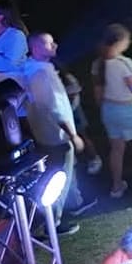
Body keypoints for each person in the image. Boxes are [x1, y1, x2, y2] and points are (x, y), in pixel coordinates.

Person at [24, 32, 88, 227]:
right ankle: (53, 222)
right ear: (35, 48)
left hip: (47, 132)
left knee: (65, 169)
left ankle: (73, 203)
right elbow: (54, 108)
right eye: (49, 43)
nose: (55, 45)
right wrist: (73, 135)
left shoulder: (35, 70)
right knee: (60, 175)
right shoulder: (41, 74)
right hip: (55, 135)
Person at [93, 23, 132, 198]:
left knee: (116, 148)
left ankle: (116, 186)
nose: (128, 43)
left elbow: (98, 92)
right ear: (119, 42)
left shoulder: (98, 63)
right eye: (127, 40)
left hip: (109, 110)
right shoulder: (122, 63)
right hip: (128, 109)